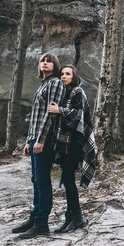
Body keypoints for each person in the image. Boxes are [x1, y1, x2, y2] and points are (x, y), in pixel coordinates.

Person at [12, 52, 66, 239]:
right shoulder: (43, 84)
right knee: (36, 179)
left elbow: (51, 114)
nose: (45, 63)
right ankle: (34, 218)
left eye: (49, 61)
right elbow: (35, 117)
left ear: (55, 65)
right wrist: (29, 140)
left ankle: (42, 224)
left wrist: (41, 139)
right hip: (35, 138)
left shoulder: (55, 83)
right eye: (42, 60)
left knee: (42, 180)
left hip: (46, 139)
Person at [47, 65, 97, 233]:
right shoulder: (63, 94)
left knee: (69, 181)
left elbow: (79, 115)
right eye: (62, 74)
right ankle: (71, 216)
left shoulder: (77, 92)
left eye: (67, 74)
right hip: (63, 145)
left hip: (75, 144)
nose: (63, 76)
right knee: (67, 181)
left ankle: (77, 217)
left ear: (74, 76)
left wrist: (59, 110)